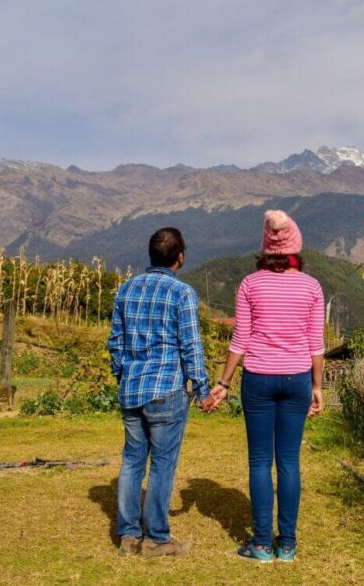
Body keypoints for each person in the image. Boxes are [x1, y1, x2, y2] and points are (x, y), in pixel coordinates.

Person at [209, 210, 325, 563]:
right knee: (289, 461)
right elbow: (315, 343)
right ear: (296, 246)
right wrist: (317, 386)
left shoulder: (250, 284)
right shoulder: (311, 286)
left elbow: (240, 339)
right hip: (297, 378)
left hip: (258, 377)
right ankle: (287, 544)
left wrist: (223, 382)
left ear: (266, 247)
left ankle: (260, 544)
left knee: (260, 461)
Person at [108, 227, 216, 558]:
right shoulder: (182, 293)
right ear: (179, 257)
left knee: (131, 462)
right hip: (166, 390)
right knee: (162, 465)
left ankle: (128, 537)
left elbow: (115, 343)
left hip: (131, 391)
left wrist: (122, 375)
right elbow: (191, 346)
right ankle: (156, 538)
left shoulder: (126, 290)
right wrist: (202, 390)